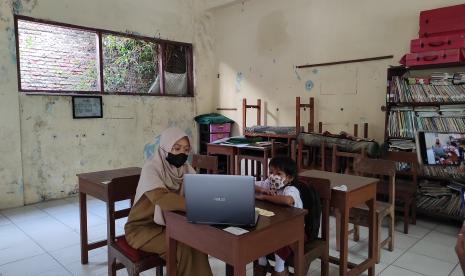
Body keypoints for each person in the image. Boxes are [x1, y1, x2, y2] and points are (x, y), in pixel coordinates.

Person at [124, 127, 212, 276]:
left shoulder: (185, 168)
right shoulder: (151, 169)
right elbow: (162, 198)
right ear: (164, 147)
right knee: (184, 247)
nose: (181, 153)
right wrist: (197, 206)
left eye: (185, 149)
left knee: (197, 243)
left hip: (171, 224)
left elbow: (200, 188)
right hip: (143, 229)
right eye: (176, 148)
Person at [254, 156, 303, 276]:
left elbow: (287, 201)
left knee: (279, 238)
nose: (273, 176)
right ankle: (262, 262)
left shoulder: (291, 189)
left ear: (289, 178)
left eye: (279, 173)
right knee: (256, 234)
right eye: (271, 172)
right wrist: (262, 190)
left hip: (294, 229)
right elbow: (249, 184)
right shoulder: (268, 184)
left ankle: (279, 268)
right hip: (275, 225)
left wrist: (265, 197)